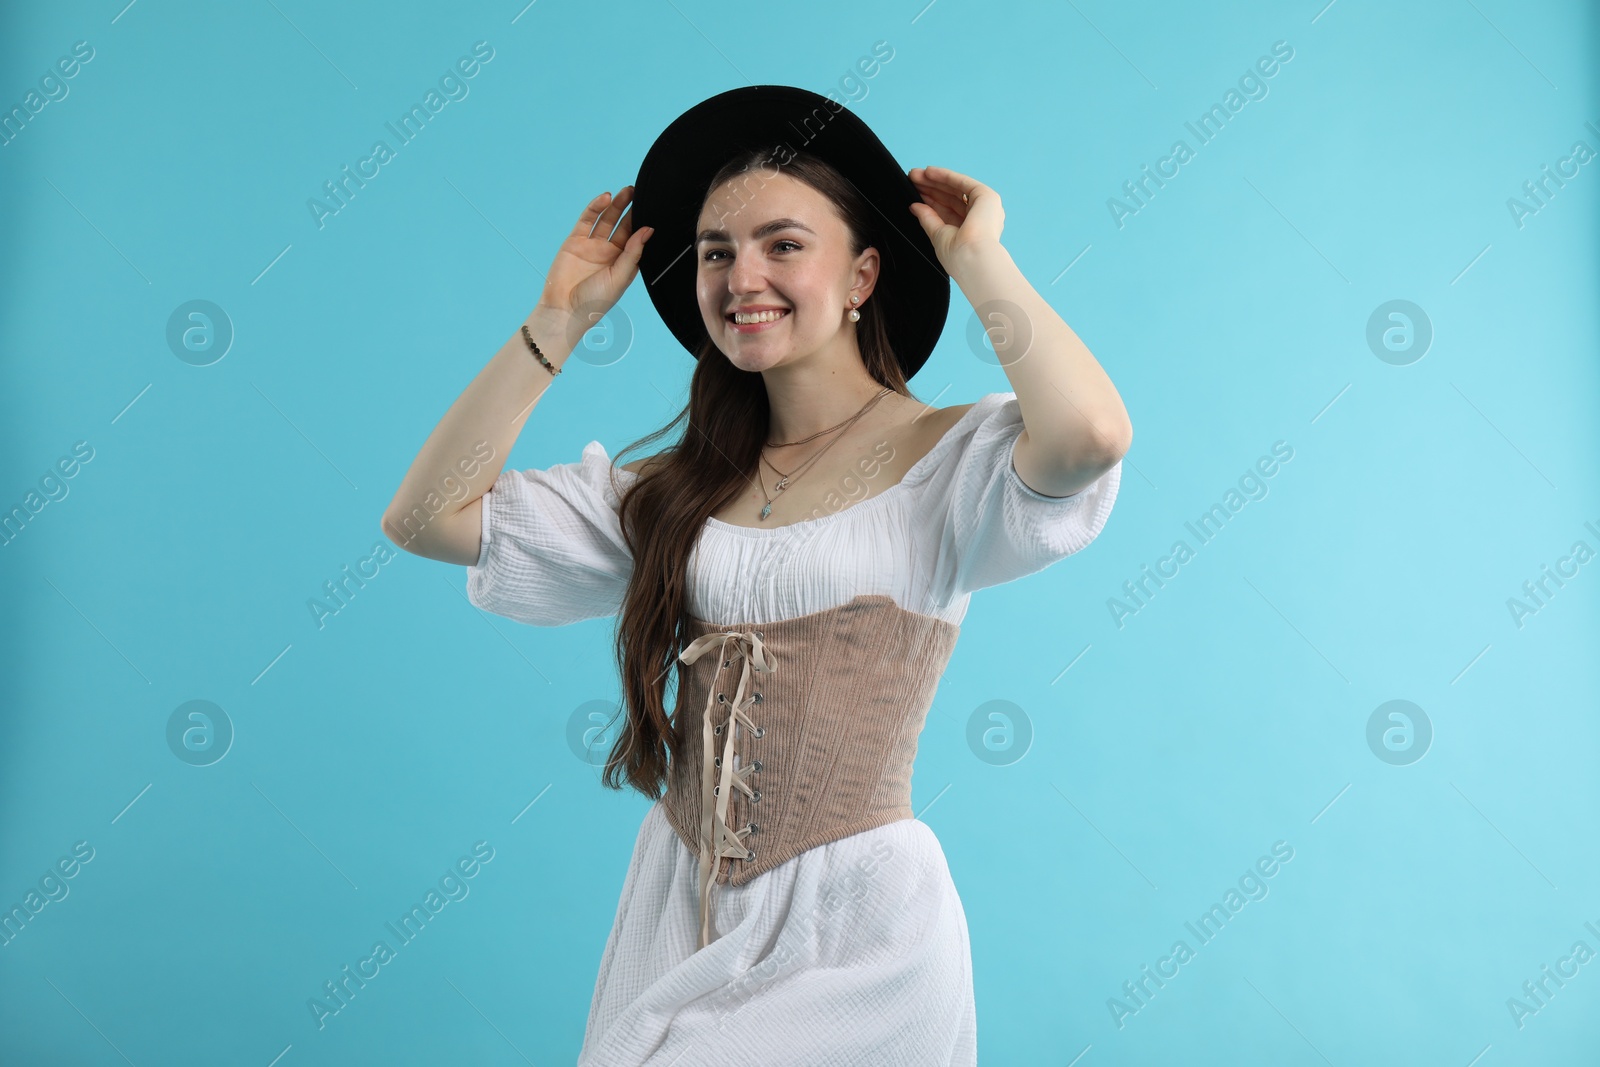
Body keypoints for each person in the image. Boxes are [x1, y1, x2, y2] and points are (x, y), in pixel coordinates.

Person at [382, 85, 1132, 1066]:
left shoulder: (949, 460)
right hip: (680, 904)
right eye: (715, 251)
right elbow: (425, 515)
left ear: (864, 272)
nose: (742, 276)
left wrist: (980, 261)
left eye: (784, 244)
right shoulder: (675, 493)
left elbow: (1091, 435)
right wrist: (554, 322)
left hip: (857, 926)